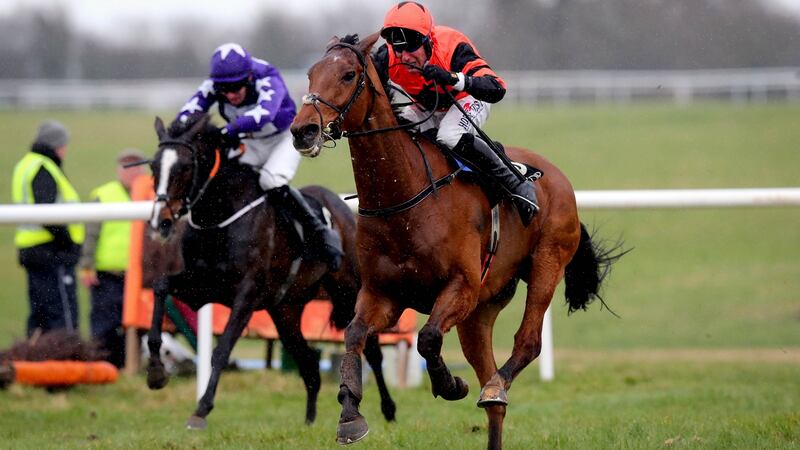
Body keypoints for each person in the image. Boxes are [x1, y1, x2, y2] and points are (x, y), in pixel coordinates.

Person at [176, 42, 343, 270]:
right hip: (250, 141)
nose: (231, 94)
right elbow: (188, 111)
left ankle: (319, 232)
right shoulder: (214, 85)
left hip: (282, 138)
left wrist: (227, 131)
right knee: (224, 177)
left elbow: (264, 114)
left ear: (249, 77)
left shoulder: (266, 76)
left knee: (270, 180)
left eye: (237, 87)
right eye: (225, 90)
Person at [375, 2, 539, 225]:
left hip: (468, 99)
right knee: (394, 127)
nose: (404, 57)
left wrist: (453, 78)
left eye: (411, 47)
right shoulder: (387, 58)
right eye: (398, 48)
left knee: (449, 135)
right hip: (428, 107)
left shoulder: (452, 45)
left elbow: (497, 88)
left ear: (427, 40)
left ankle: (516, 180)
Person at [11, 120, 85, 337]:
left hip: (31, 248)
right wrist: (68, 245)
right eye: (64, 144)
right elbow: (48, 214)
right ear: (56, 145)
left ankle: (35, 364)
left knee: (40, 314)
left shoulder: (25, 164)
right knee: (63, 314)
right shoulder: (43, 168)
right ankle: (68, 362)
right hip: (52, 252)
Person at [78, 149, 147, 368]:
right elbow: (91, 233)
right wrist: (87, 266)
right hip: (108, 273)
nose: (132, 173)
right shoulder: (104, 194)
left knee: (139, 324)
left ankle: (131, 365)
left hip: (141, 274)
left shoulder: (151, 193)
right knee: (104, 323)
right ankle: (101, 367)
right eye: (127, 168)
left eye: (136, 167)